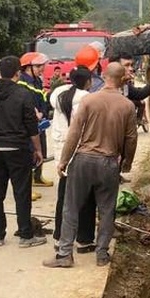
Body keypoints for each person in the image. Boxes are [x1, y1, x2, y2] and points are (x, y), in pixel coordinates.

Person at [44, 63, 137, 268]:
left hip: (83, 160)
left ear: (103, 76)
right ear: (123, 80)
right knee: (106, 209)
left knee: (71, 208)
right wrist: (127, 162)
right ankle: (102, 254)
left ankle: (64, 255)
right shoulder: (127, 105)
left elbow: (74, 134)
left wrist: (63, 161)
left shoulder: (89, 100)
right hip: (109, 161)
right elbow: (131, 138)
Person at [0, 56, 48, 248]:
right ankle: (26, 236)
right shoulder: (22, 94)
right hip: (18, 149)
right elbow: (31, 126)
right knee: (22, 193)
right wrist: (38, 149)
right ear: (18, 73)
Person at [49, 66, 97, 253]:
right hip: (81, 153)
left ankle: (59, 236)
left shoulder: (59, 96)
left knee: (64, 197)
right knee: (86, 198)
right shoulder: (88, 101)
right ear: (88, 82)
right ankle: (84, 240)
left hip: (62, 154)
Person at [18, 51, 53, 193]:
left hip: (40, 122)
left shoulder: (37, 80)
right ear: (28, 67)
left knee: (41, 149)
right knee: (30, 152)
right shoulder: (22, 82)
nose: (42, 69)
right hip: (29, 123)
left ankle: (38, 177)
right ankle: (28, 184)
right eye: (38, 66)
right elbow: (23, 101)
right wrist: (34, 112)